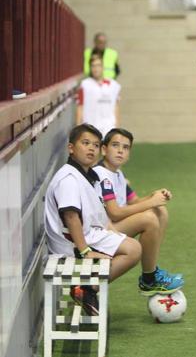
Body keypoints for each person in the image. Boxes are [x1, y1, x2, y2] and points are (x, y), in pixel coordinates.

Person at [44, 124, 141, 315]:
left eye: (96, 145)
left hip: (88, 234)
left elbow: (95, 213)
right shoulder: (69, 179)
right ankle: (87, 287)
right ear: (71, 148)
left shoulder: (88, 174)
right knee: (133, 250)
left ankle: (87, 287)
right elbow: (71, 217)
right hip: (71, 242)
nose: (91, 148)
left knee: (131, 247)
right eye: (86, 143)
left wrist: (111, 231)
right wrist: (85, 251)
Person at [93, 128, 184, 296]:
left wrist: (155, 196)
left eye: (126, 147)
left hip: (112, 227)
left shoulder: (117, 173)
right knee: (149, 219)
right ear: (104, 149)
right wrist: (150, 203)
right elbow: (114, 213)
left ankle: (152, 271)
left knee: (160, 211)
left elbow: (134, 201)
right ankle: (149, 279)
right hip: (100, 231)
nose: (120, 150)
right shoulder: (101, 175)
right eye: (115, 145)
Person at [77, 55, 121, 137]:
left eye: (98, 65)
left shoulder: (113, 85)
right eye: (93, 66)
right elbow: (80, 107)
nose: (96, 68)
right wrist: (78, 128)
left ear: (103, 67)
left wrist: (117, 129)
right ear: (90, 68)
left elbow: (116, 107)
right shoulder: (84, 85)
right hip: (90, 127)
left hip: (108, 127)